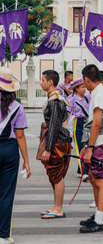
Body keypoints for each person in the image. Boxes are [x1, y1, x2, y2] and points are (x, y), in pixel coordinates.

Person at [79, 65, 103, 233]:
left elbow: (96, 123)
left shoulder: (100, 94)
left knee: (101, 181)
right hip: (100, 141)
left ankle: (100, 220)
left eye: (83, 81)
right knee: (95, 178)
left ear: (87, 80)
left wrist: (90, 148)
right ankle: (98, 214)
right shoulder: (99, 92)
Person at [0, 68, 31, 244]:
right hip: (10, 151)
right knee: (6, 194)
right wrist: (26, 161)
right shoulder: (18, 107)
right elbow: (20, 136)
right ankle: (3, 235)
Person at [39, 70, 72, 219]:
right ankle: (55, 206)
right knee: (54, 175)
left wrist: (48, 148)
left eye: (43, 80)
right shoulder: (58, 98)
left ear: (50, 82)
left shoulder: (54, 101)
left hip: (57, 142)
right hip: (60, 140)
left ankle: (58, 209)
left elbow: (53, 126)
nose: (41, 83)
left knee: (57, 176)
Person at [68, 79, 90, 182]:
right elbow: (67, 114)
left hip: (87, 123)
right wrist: (67, 129)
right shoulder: (72, 99)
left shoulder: (88, 98)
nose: (84, 89)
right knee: (79, 147)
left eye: (85, 87)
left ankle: (79, 170)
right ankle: (84, 172)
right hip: (77, 123)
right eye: (82, 87)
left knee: (86, 146)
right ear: (76, 89)